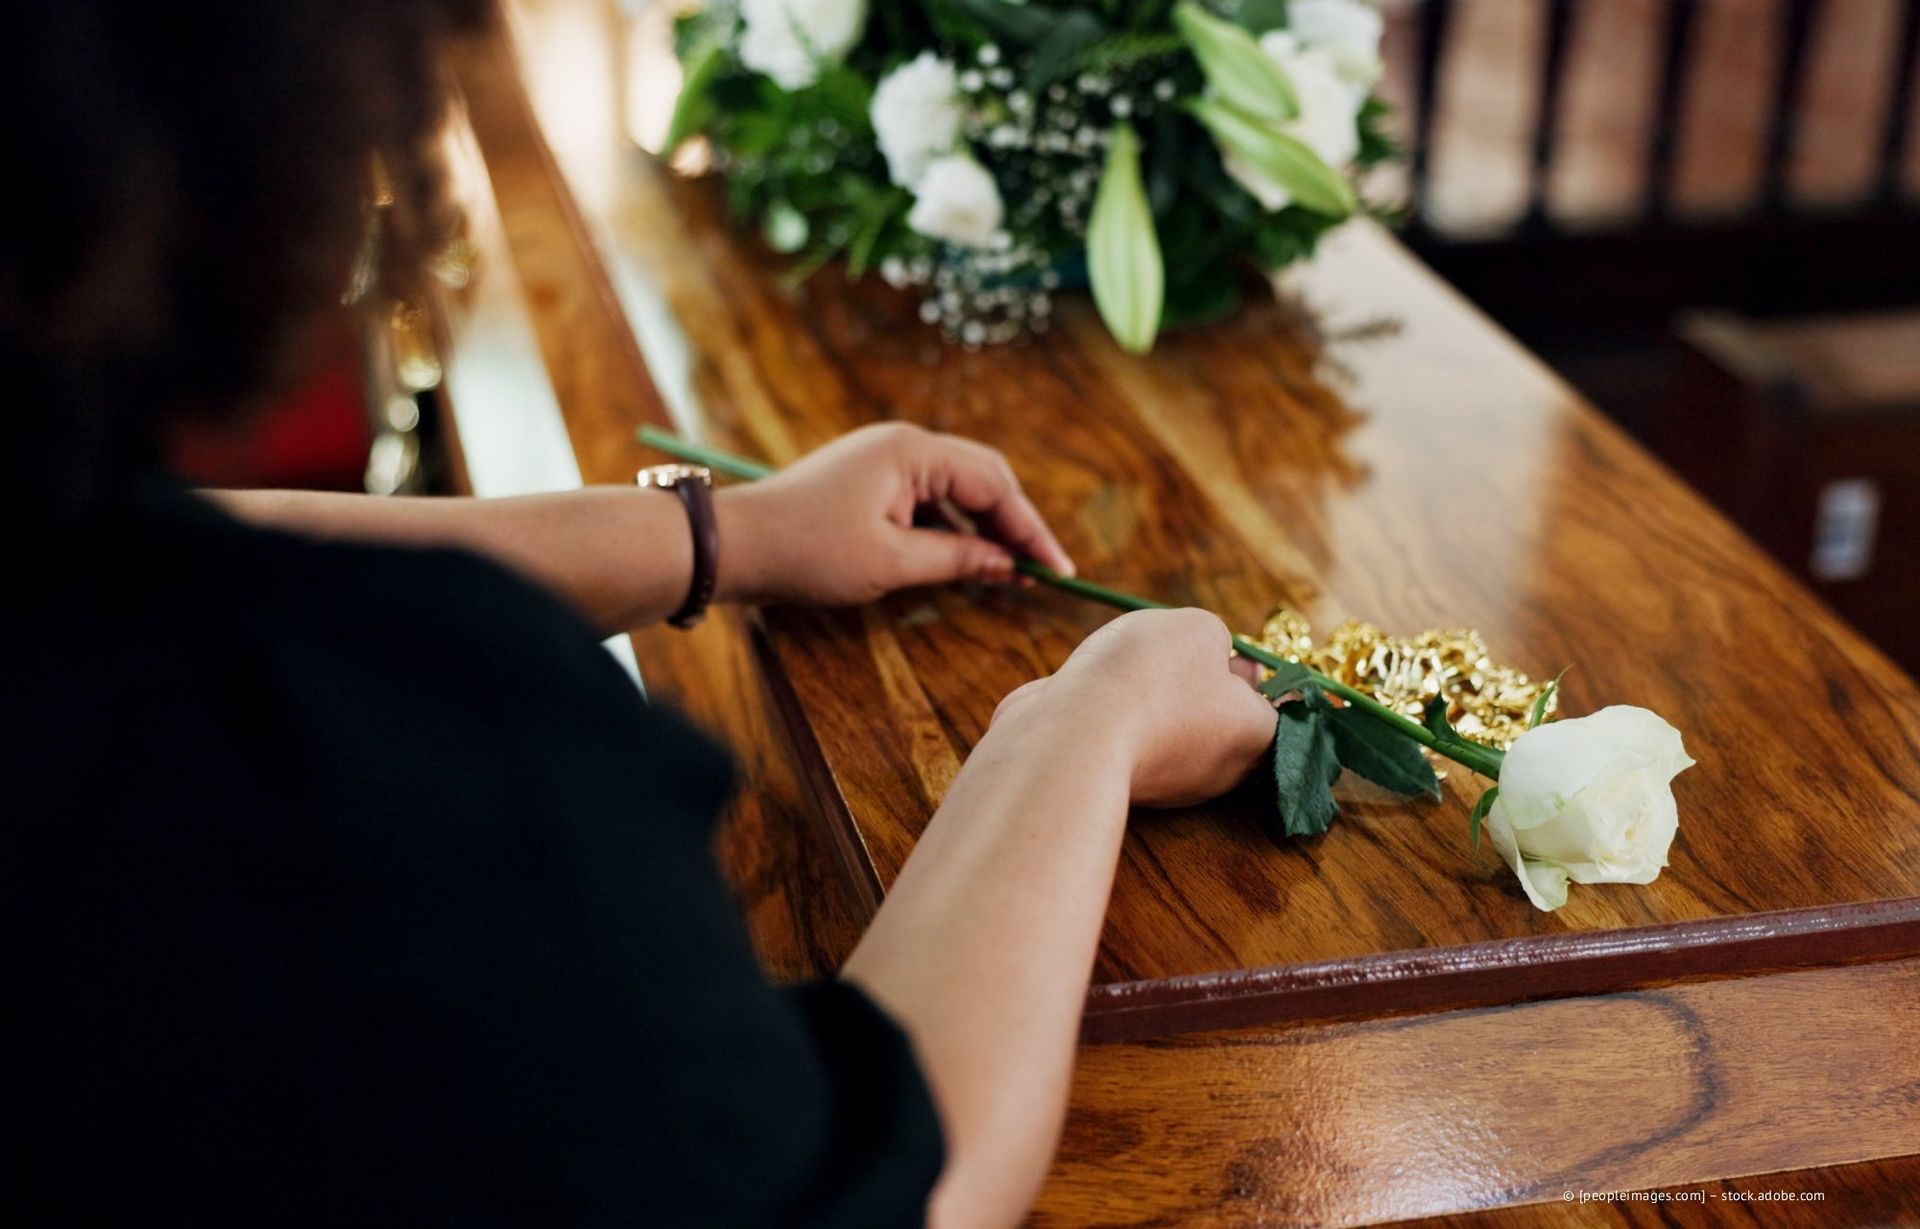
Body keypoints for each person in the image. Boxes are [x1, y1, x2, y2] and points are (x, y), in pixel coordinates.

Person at [5, 1, 1278, 1225]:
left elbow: (144, 549)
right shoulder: (350, 769)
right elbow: (885, 1181)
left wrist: (724, 532)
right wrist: (1075, 724)